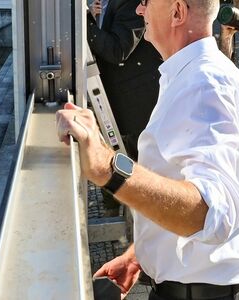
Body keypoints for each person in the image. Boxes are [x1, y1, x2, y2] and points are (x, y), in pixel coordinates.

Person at [57, 0, 239, 299]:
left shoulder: (203, 83)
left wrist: (107, 166)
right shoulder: (193, 74)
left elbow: (208, 214)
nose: (140, 11)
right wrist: (144, 249)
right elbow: (182, 180)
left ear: (177, 11)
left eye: (145, 2)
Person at [88, 0, 163, 216]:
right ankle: (116, 208)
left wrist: (84, 23)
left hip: (135, 100)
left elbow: (117, 50)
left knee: (135, 162)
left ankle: (136, 222)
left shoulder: (131, 3)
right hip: (125, 96)